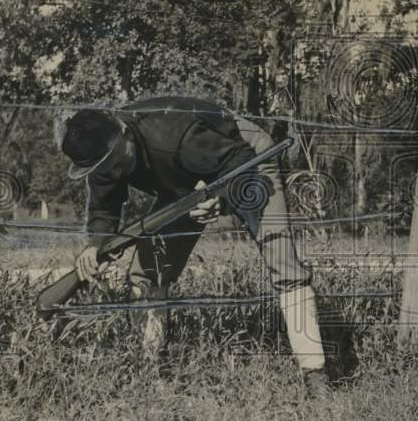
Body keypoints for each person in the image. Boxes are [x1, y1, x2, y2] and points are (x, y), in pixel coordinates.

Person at [58, 95, 330, 394]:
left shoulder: (175, 136)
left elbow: (237, 161)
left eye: (113, 162)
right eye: (101, 168)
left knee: (282, 261)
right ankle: (150, 374)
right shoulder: (100, 154)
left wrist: (221, 200)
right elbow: (103, 208)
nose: (112, 172)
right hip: (182, 179)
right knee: (146, 272)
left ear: (124, 133)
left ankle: (315, 374)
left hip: (244, 158)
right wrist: (95, 244)